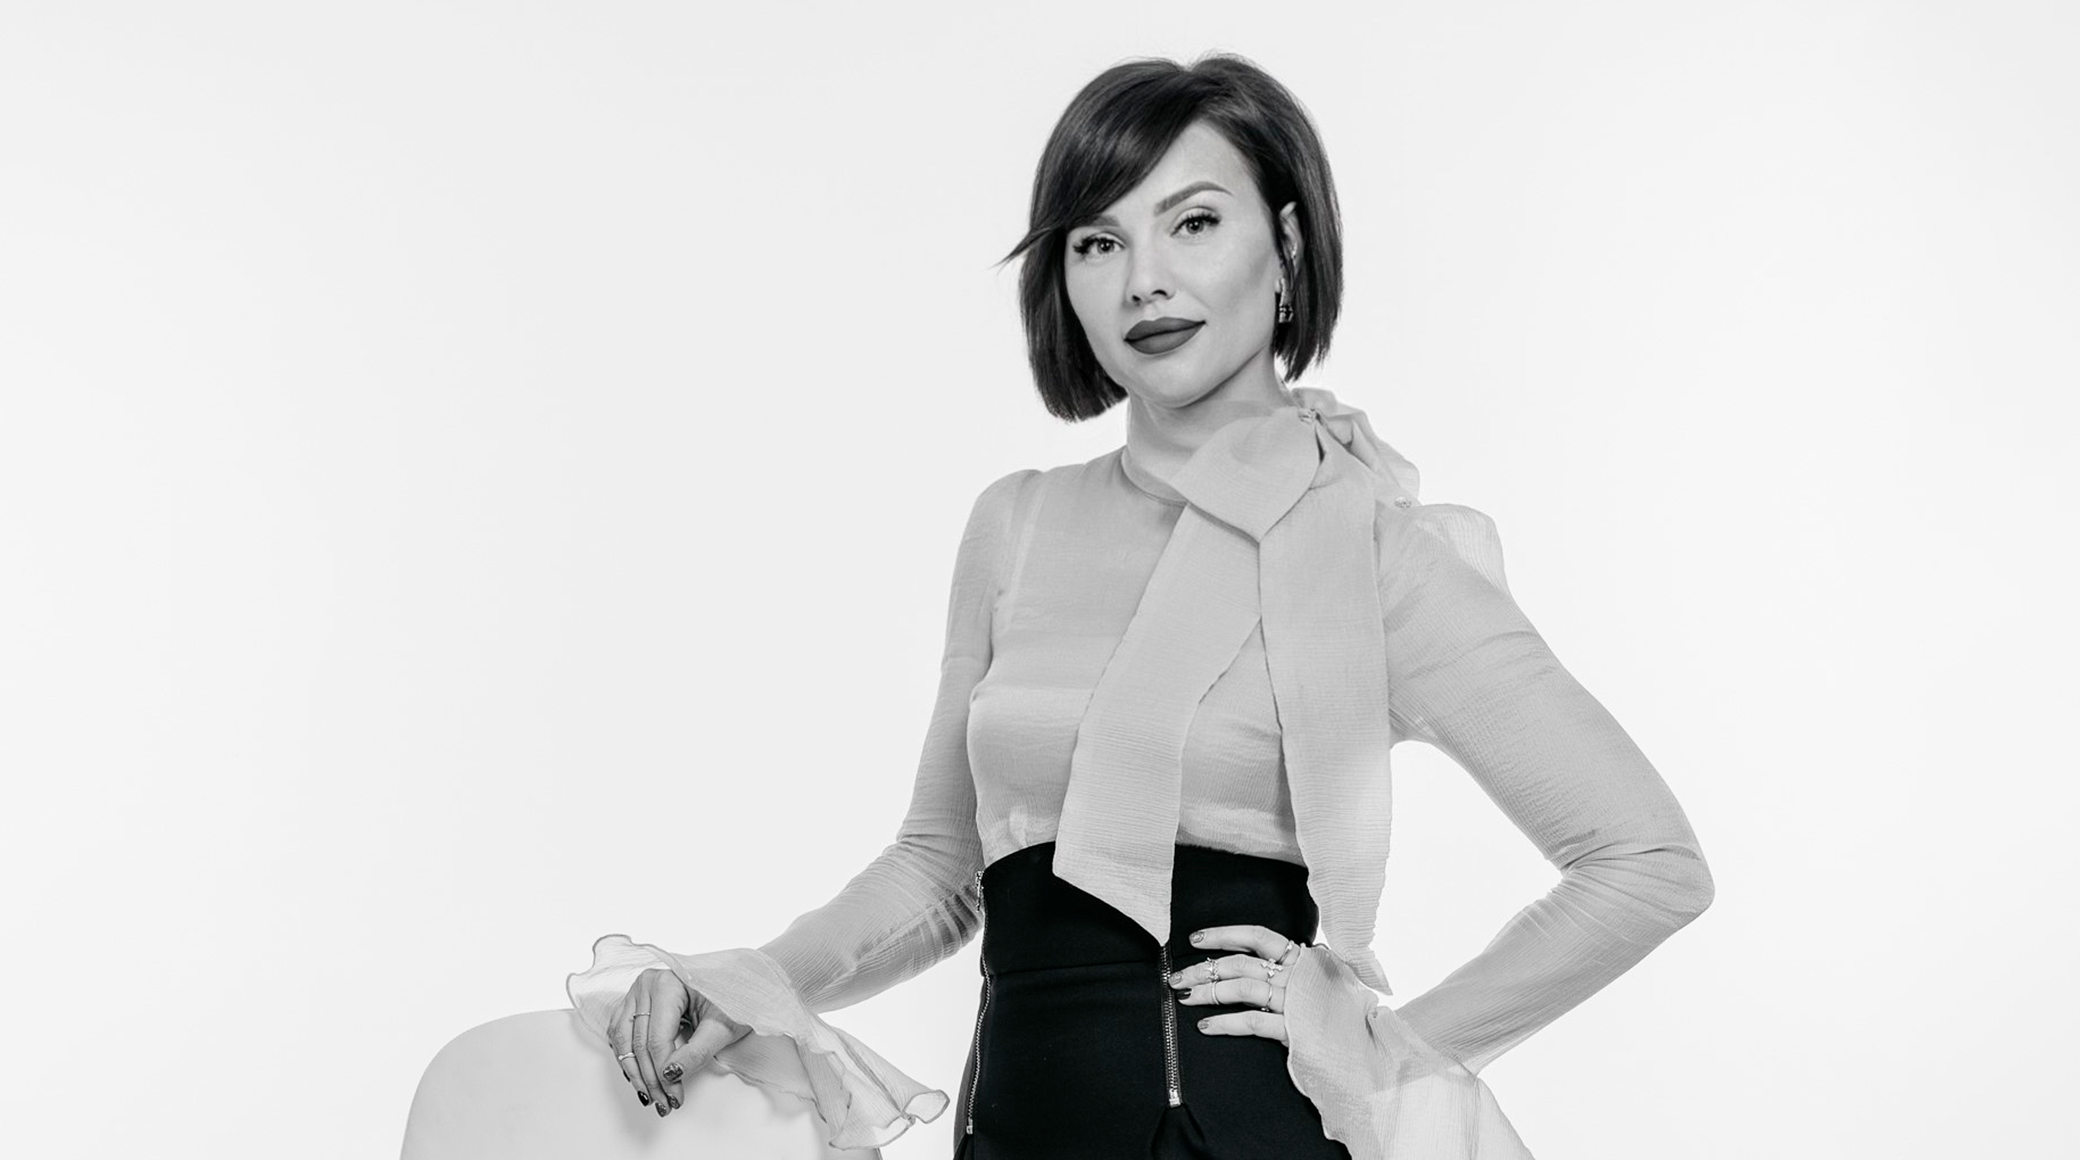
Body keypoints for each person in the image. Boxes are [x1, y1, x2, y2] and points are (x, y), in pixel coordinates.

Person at [564, 53, 1714, 1159]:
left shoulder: (1372, 551)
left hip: (1251, 1128)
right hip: (1016, 1124)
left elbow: (1645, 859)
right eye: (1098, 241)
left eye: (1193, 222)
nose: (1142, 280)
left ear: (1287, 245)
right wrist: (747, 984)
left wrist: (1387, 1046)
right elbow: (938, 865)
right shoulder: (1016, 521)